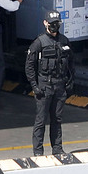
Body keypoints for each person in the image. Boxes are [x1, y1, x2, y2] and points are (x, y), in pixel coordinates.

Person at [25, 10, 75, 156]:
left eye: (57, 24)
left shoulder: (64, 41)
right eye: (52, 23)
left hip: (60, 86)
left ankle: (57, 149)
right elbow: (29, 66)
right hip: (44, 86)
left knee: (57, 119)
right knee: (41, 121)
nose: (54, 26)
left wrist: (70, 83)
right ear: (45, 23)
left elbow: (71, 64)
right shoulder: (38, 43)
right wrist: (34, 86)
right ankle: (38, 152)